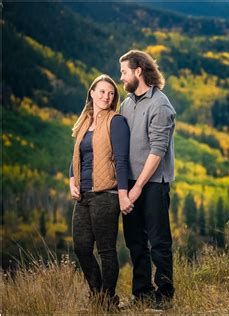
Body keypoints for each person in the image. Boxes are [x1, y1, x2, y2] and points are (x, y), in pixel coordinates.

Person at [69, 74, 133, 309]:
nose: (107, 96)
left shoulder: (115, 121)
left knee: (106, 250)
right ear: (92, 93)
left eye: (111, 93)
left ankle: (107, 300)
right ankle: (99, 296)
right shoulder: (85, 122)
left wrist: (124, 193)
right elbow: (77, 155)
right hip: (83, 195)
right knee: (81, 247)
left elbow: (123, 160)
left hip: (106, 195)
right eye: (102, 91)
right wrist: (71, 180)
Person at [119, 50, 176, 309]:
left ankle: (164, 296)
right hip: (130, 184)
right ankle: (142, 293)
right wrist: (125, 187)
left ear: (138, 71)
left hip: (153, 184)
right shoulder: (126, 104)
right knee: (135, 241)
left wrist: (139, 186)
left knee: (158, 241)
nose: (122, 77)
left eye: (124, 72)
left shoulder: (160, 105)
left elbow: (157, 150)